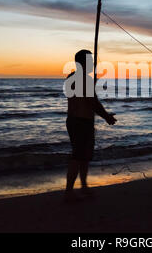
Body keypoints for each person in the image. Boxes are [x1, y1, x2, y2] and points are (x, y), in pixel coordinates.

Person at [64, 49, 116, 202]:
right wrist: (107, 117)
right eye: (90, 61)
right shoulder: (81, 79)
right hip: (79, 122)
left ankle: (84, 186)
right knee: (78, 155)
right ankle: (68, 192)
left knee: (84, 156)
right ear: (82, 62)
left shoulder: (73, 77)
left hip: (80, 121)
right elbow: (92, 102)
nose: (93, 64)